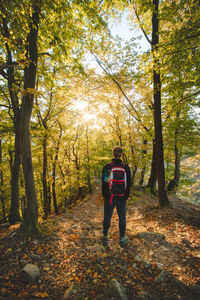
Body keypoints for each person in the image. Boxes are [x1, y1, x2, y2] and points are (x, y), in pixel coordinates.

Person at [101, 146, 131, 247]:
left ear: (113, 153)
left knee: (107, 216)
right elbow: (129, 183)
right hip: (122, 197)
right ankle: (122, 238)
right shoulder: (126, 167)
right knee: (122, 217)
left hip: (110, 197)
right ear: (121, 154)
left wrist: (106, 195)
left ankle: (105, 236)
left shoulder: (107, 167)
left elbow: (105, 182)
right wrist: (125, 195)